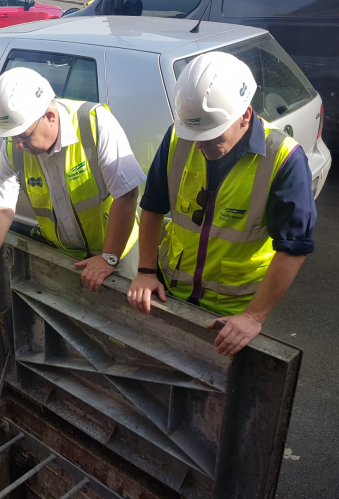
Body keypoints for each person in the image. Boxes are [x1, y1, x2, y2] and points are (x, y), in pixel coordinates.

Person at [126, 52, 317, 356]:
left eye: (212, 136)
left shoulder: (284, 159)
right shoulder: (179, 137)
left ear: (244, 115)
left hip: (232, 313)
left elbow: (293, 247)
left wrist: (254, 316)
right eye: (194, 134)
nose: (200, 146)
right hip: (169, 291)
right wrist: (146, 270)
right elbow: (152, 206)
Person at [0, 68, 146, 315]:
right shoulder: (15, 147)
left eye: (25, 137)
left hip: (116, 252)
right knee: (75, 322)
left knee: (121, 325)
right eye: (13, 138)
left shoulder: (94, 124)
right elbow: (1, 207)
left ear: (49, 115)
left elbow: (127, 195)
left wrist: (108, 257)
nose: (19, 145)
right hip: (64, 255)